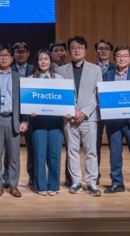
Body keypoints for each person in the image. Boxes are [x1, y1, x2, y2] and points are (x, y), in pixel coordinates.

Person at [56, 36, 103, 197]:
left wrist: (84, 113)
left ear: (85, 50)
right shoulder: (61, 70)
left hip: (89, 117)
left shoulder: (96, 69)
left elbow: (97, 94)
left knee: (91, 151)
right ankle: (76, 182)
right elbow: (61, 94)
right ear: (69, 50)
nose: (76, 50)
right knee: (72, 151)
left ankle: (91, 182)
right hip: (70, 116)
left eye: (80, 47)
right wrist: (73, 111)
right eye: (73, 48)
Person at [102, 46, 130, 197]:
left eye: (125, 56)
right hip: (114, 122)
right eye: (119, 56)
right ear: (115, 58)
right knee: (115, 154)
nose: (122, 59)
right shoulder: (107, 75)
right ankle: (117, 183)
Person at [0, 44, 28, 197]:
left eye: (7, 55)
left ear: (12, 58)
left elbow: (25, 102)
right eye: (1, 55)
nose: (4, 58)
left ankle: (14, 185)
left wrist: (25, 121)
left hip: (13, 120)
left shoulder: (20, 78)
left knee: (14, 156)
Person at [27, 49, 67, 196]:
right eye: (40, 59)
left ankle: (54, 185)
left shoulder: (60, 79)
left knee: (55, 154)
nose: (43, 62)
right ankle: (40, 185)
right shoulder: (30, 79)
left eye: (46, 59)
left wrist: (67, 110)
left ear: (51, 61)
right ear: (36, 62)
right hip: (38, 122)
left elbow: (66, 100)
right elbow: (26, 102)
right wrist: (29, 110)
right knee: (39, 154)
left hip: (56, 122)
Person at [11, 41, 34, 188]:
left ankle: (32, 176)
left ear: (28, 53)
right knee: (10, 148)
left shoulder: (34, 69)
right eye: (17, 51)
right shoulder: (7, 68)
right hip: (11, 113)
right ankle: (8, 177)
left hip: (31, 114)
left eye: (23, 51)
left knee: (32, 147)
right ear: (13, 54)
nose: (20, 54)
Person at [49, 40, 72, 186]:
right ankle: (49, 178)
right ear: (50, 53)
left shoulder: (70, 69)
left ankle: (70, 178)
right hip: (49, 115)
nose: (58, 53)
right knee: (51, 150)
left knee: (71, 148)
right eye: (55, 50)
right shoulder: (44, 67)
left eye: (61, 50)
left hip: (68, 115)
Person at [94, 38, 116, 184]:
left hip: (112, 112)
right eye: (100, 48)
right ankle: (95, 175)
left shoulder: (117, 67)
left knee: (114, 145)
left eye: (106, 48)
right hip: (95, 111)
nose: (103, 51)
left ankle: (115, 177)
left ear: (110, 52)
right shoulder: (90, 68)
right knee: (95, 146)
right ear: (96, 51)